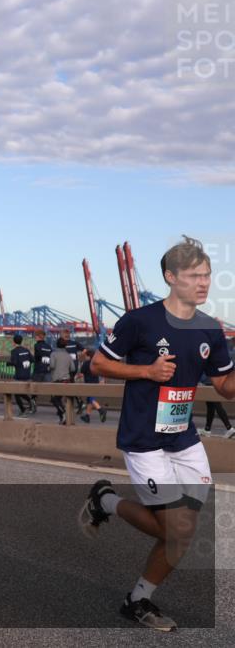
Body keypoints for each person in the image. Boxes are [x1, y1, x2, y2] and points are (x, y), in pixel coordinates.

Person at [79, 236, 235, 631]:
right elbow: (99, 363)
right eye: (194, 275)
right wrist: (146, 371)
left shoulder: (210, 329)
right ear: (170, 277)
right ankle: (107, 501)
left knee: (182, 532)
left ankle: (137, 600)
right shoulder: (139, 321)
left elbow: (224, 386)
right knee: (177, 529)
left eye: (208, 275)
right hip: (144, 440)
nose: (204, 283)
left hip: (183, 439)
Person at [6, 334, 35, 415]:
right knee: (20, 392)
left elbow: (14, 362)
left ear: (14, 342)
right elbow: (32, 360)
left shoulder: (14, 351)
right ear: (21, 341)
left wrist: (8, 363)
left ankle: (22, 409)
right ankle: (30, 401)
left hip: (19, 375)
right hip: (27, 374)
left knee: (16, 393)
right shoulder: (26, 350)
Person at [79, 349, 109, 424]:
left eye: (86, 356)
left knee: (90, 398)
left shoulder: (86, 363)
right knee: (90, 400)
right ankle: (87, 416)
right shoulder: (96, 363)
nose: (85, 357)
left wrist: (77, 376)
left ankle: (100, 409)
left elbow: (82, 373)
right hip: (96, 383)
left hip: (89, 383)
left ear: (88, 356)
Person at [49, 337, 74, 424]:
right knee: (60, 398)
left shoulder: (53, 354)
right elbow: (73, 368)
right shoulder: (68, 355)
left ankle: (63, 413)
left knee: (54, 399)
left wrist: (49, 367)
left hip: (57, 380)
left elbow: (52, 366)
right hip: (67, 380)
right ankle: (62, 418)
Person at [61, 330, 85, 415]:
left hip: (68, 368)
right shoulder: (74, 343)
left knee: (67, 385)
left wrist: (80, 358)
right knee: (70, 384)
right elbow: (84, 350)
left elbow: (85, 350)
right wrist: (80, 358)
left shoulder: (64, 344)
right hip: (72, 367)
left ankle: (77, 403)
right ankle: (78, 403)